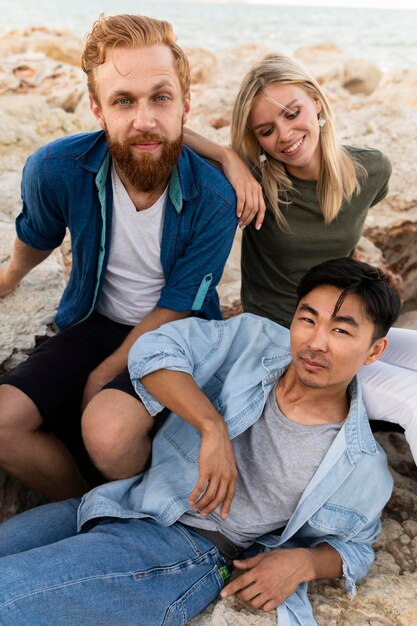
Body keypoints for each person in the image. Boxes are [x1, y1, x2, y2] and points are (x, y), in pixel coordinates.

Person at [0, 257, 400, 625]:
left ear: (374, 351)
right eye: (307, 319)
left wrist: (305, 563)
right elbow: (156, 348)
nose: (316, 342)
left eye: (341, 330)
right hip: (126, 500)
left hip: (186, 552)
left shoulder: (360, 463)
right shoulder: (254, 342)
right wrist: (212, 427)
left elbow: (357, 547)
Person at [0, 14, 240, 502]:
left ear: (185, 104)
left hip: (177, 333)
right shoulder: (56, 168)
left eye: (160, 97)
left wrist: (104, 372)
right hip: (93, 320)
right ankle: (82, 510)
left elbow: (179, 304)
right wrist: (9, 276)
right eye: (123, 101)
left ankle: (133, 511)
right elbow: (37, 234)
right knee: (3, 423)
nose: (145, 120)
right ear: (97, 109)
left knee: (107, 435)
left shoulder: (215, 198)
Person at [184, 52, 417, 464]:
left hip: (345, 328)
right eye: (267, 130)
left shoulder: (370, 170)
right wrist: (228, 158)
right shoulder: (258, 186)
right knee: (411, 400)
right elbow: (170, 133)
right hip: (282, 339)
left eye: (293, 113)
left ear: (316, 102)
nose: (286, 135)